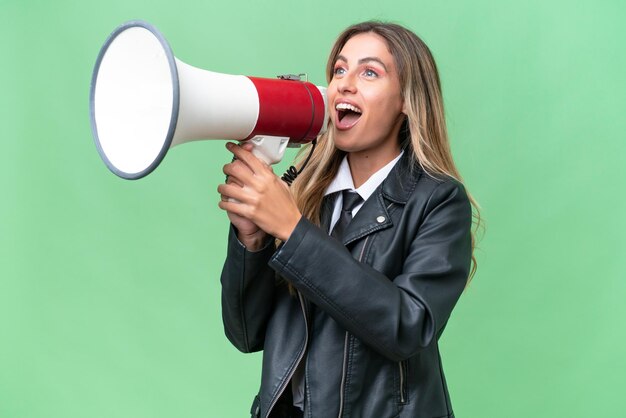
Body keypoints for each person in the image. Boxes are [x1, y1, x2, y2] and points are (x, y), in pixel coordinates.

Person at [217, 21, 479, 418]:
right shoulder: (304, 195)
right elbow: (247, 334)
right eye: (339, 70)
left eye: (369, 72)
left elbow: (409, 326)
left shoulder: (438, 201)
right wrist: (251, 241)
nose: (345, 84)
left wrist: (292, 230)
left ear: (408, 101)